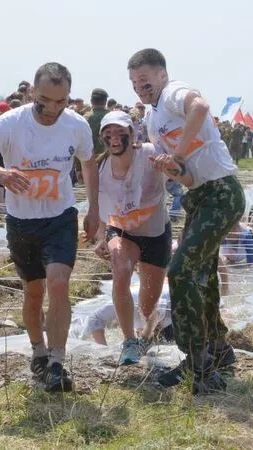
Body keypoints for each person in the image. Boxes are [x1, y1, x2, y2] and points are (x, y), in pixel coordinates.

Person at [0, 62, 100, 393]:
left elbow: (89, 162)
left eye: (61, 101)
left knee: (59, 282)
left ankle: (57, 360)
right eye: (45, 101)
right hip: (22, 221)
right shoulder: (11, 122)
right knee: (34, 291)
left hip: (60, 216)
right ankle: (38, 351)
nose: (52, 109)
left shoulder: (77, 125)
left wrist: (95, 208)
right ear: (32, 93)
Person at [128, 48, 243, 394]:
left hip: (222, 194)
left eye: (145, 80)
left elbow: (201, 107)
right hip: (199, 197)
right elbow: (188, 178)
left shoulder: (175, 93)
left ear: (162, 75)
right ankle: (218, 349)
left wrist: (177, 155)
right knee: (202, 276)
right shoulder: (151, 120)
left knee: (180, 271)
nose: (140, 87)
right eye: (134, 83)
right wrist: (172, 168)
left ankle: (197, 364)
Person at [91, 111, 176, 365]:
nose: (114, 138)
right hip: (122, 230)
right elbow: (99, 206)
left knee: (148, 305)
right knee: (121, 270)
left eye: (120, 133)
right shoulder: (101, 168)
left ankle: (146, 334)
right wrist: (101, 238)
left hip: (155, 233)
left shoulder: (149, 154)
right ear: (103, 139)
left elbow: (177, 169)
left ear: (132, 135)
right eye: (109, 134)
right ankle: (129, 340)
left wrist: (170, 164)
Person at [87, 288, 173, 346]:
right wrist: (103, 349)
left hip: (173, 311)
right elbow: (94, 319)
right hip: (151, 316)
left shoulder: (129, 300)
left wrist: (145, 338)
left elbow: (157, 310)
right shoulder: (118, 305)